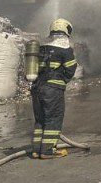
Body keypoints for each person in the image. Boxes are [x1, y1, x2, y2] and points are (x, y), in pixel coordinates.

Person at [31, 18, 77, 159]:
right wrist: (62, 81)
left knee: (40, 119)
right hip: (52, 89)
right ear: (66, 30)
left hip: (37, 87)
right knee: (53, 118)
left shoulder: (42, 46)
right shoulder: (64, 47)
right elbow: (71, 68)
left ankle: (37, 150)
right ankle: (48, 151)